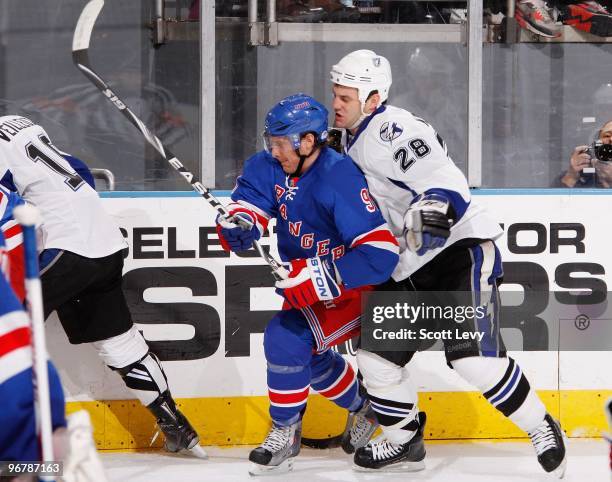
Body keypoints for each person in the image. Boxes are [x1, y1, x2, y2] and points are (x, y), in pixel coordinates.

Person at [329, 50, 567, 477]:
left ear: (372, 97)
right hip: (406, 262)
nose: (337, 103)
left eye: (346, 96)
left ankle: (541, 427)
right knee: (376, 358)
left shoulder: (393, 130)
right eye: (336, 94)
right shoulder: (346, 138)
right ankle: (404, 443)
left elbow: (445, 179)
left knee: (473, 361)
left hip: (457, 249)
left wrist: (435, 206)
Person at [0, 115, 205, 458]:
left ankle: (20, 442)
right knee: (118, 341)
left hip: (63, 245)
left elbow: (10, 209)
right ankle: (176, 425)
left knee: (9, 337)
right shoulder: (18, 123)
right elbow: (76, 168)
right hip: (104, 243)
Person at [215, 93, 399, 474]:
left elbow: (379, 255)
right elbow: (250, 200)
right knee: (306, 354)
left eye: (282, 143)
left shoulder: (339, 177)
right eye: (272, 141)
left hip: (352, 285)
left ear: (309, 141)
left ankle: (285, 431)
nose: (274, 150)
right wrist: (240, 223)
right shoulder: (268, 165)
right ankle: (364, 405)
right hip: (306, 279)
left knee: (285, 338)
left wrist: (320, 278)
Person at [0, 229, 108, 482]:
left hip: (15, 373)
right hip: (25, 365)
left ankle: (57, 459)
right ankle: (60, 457)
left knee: (19, 468)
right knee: (20, 467)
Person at [556, 119, 612, 188]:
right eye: (607, 136)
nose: (611, 139)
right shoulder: (583, 171)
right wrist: (572, 176)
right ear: (597, 143)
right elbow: (553, 197)